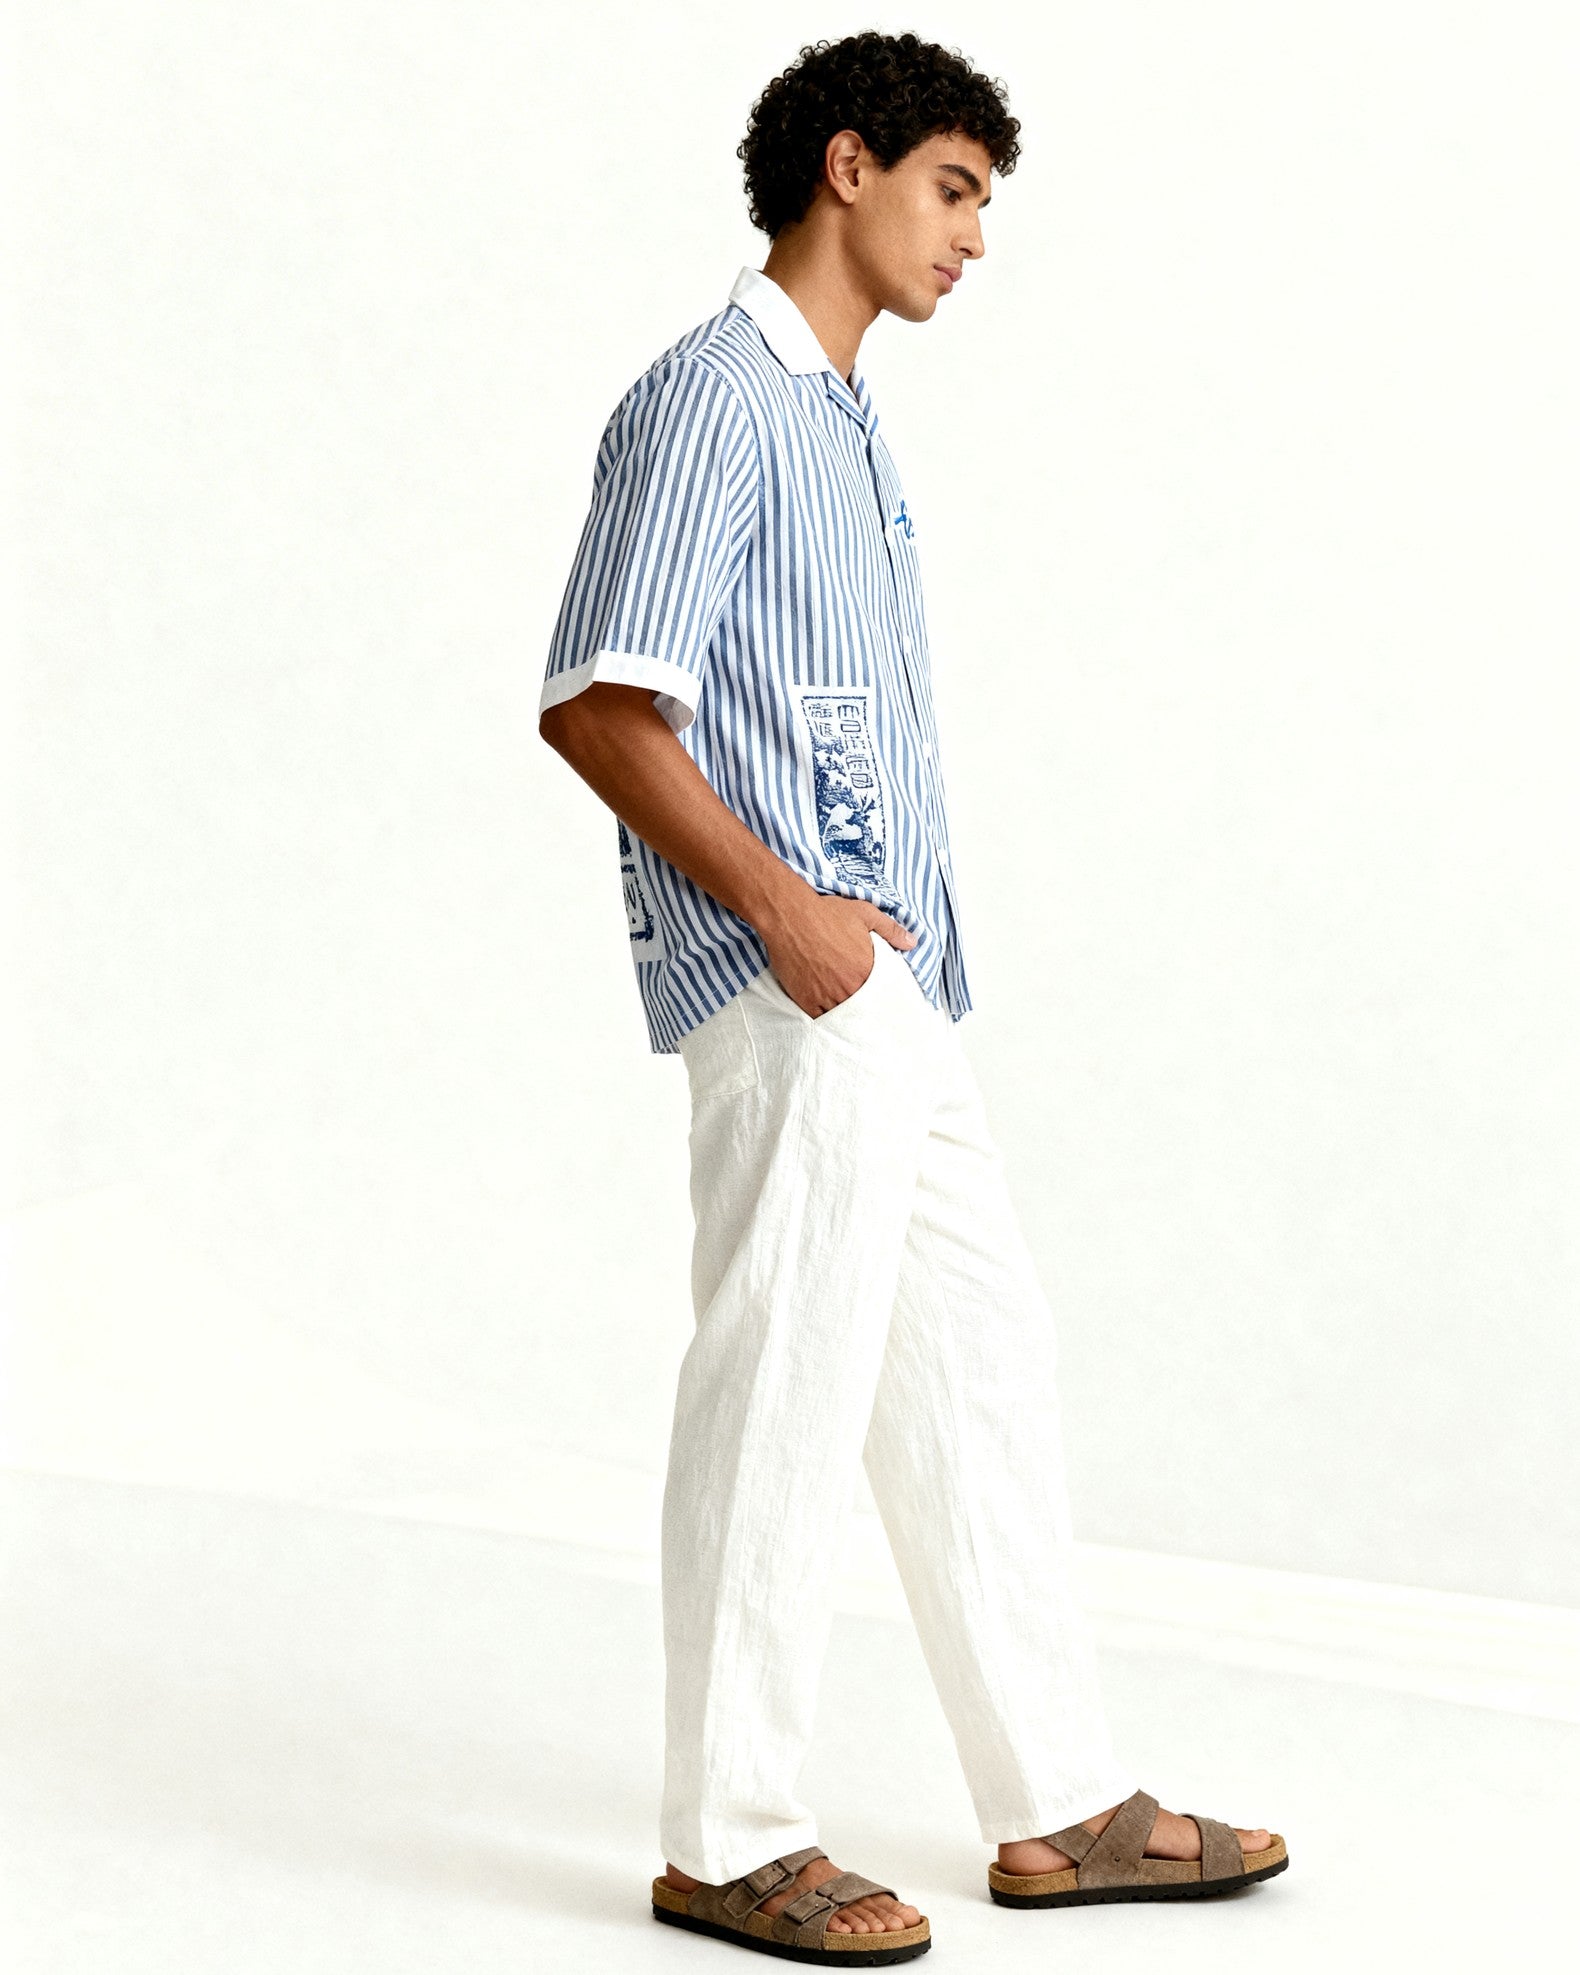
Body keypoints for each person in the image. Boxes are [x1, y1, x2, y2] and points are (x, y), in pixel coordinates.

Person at [538, 29, 1286, 1965]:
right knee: (780, 1378)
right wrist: (789, 918)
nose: (975, 235)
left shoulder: (844, 418)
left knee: (975, 1364)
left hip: (889, 985)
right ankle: (729, 1834)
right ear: (847, 166)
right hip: (795, 978)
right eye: (954, 189)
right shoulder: (714, 399)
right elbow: (598, 704)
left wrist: (868, 950)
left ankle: (1056, 1801)